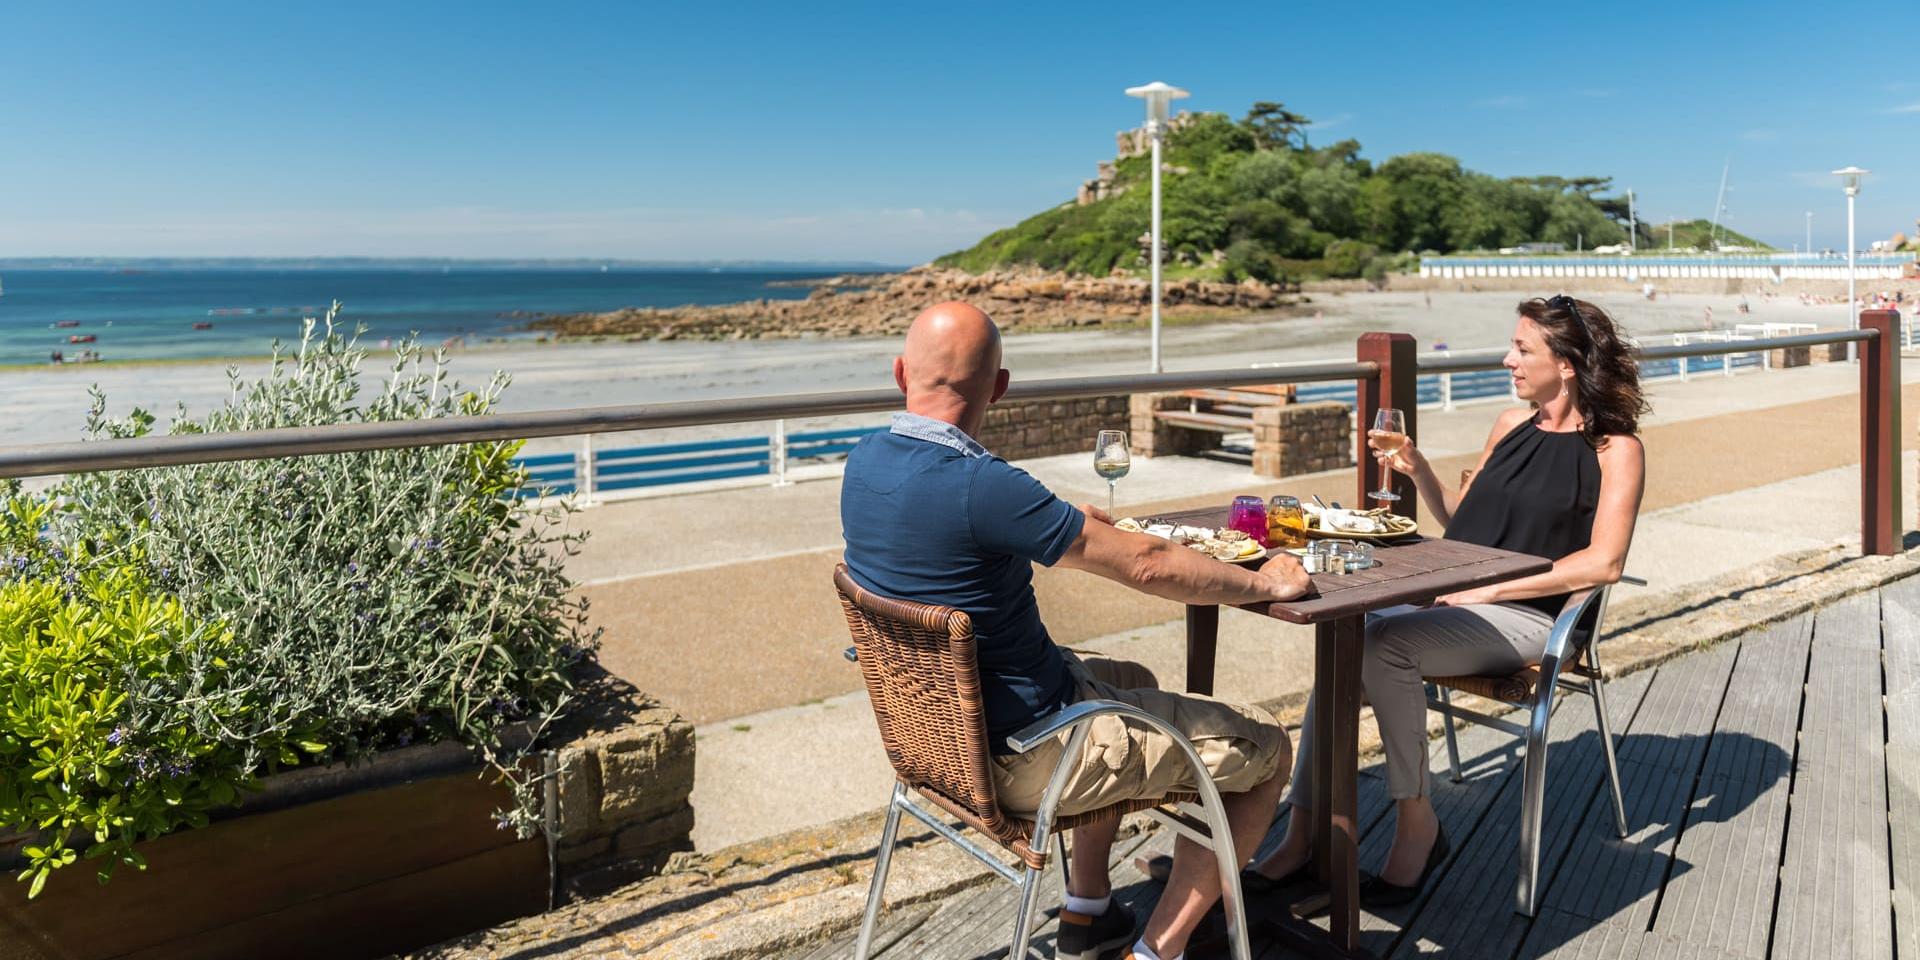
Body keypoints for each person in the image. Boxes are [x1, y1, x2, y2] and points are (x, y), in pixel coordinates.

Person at [841, 302, 1310, 960]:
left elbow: (958, 534)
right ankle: (1158, 951)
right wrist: (1267, 582)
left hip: (938, 743)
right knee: (1265, 751)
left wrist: (1055, 520)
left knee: (1135, 681)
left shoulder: (865, 464)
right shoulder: (983, 487)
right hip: (1029, 756)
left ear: (899, 374)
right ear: (1000, 388)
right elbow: (1146, 564)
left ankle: (1088, 909)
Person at [1242, 295, 1646, 906]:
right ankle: (1300, 836)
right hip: (1461, 607)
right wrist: (1419, 470)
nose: (1508, 359)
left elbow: (1604, 561)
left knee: (1383, 643)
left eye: (1522, 349)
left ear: (1566, 364)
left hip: (1534, 617)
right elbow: (1466, 524)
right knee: (1343, 637)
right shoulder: (1510, 428)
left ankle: (1416, 825)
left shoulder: (1616, 449)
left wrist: (1489, 588)